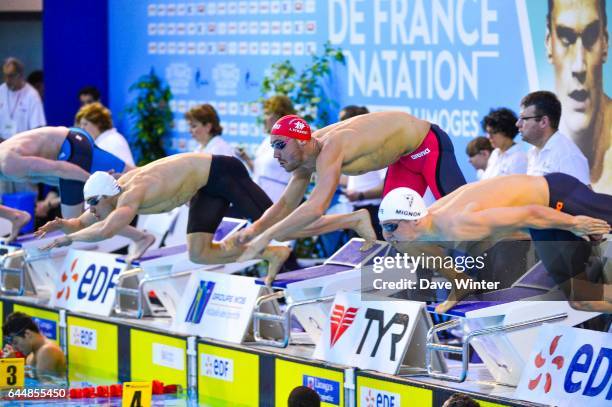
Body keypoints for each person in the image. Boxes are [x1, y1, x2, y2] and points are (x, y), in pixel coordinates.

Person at [37, 155, 375, 285]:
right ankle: (270, 253)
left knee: (282, 225)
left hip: (223, 172)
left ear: (105, 198)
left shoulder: (129, 196)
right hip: (204, 187)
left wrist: (69, 238)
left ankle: (352, 219)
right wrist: (64, 224)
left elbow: (107, 228)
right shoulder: (110, 195)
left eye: (95, 206)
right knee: (198, 252)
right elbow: (89, 220)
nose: (93, 212)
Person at [231, 111, 465, 260]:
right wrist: (254, 230)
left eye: (280, 145)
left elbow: (315, 208)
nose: (275, 155)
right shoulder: (306, 156)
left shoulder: (331, 146)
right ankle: (454, 280)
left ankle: (489, 279)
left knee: (458, 218)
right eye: (273, 146)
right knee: (395, 230)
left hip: (427, 144)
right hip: (402, 159)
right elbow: (285, 204)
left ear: (302, 142)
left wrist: (264, 237)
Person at [378, 174, 612, 312]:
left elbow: (529, 213)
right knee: (582, 299)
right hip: (541, 220)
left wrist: (573, 223)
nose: (387, 235)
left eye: (391, 227)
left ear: (415, 220)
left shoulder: (458, 223)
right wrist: (459, 281)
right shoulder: (415, 234)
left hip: (556, 197)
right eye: (383, 227)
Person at [0, 126, 153, 260]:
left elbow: (59, 169)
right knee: (141, 176)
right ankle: (174, 178)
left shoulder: (8, 163)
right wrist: (15, 216)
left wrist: (96, 181)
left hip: (70, 149)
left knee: (72, 224)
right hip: (74, 140)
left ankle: (141, 237)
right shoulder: (5, 158)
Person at [546, 0, 612, 193]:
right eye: (566, 38)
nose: (579, 66)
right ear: (549, 44)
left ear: (605, 43)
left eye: (591, 36)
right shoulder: (537, 151)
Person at [518, 91, 590, 184]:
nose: (518, 124)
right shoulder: (533, 152)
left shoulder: (568, 156)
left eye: (524, 119)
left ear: (543, 122)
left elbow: (584, 197)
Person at [339, 105, 385, 240]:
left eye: (340, 121)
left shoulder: (376, 148)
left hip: (373, 214)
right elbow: (357, 181)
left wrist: (360, 195)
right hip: (357, 212)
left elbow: (388, 186)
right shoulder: (355, 148)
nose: (336, 126)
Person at [250, 95, 296, 203]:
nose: (264, 118)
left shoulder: (292, 141)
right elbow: (262, 172)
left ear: (279, 116)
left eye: (267, 113)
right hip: (258, 201)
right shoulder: (267, 140)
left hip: (278, 202)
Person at [2, 312, 66, 379]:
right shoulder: (32, 354)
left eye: (15, 342)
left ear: (27, 334)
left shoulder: (47, 350)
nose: (14, 348)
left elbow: (48, 388)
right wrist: (13, 363)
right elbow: (30, 379)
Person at [0, 57, 46, 141]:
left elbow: (38, 128)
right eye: (5, 76)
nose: (7, 80)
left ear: (20, 75)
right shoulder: (1, 91)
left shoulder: (32, 95)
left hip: (22, 145)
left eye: (10, 76)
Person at [480, 108, 527, 179]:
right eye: (487, 133)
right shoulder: (495, 153)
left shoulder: (519, 158)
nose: (489, 137)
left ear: (505, 131)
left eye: (493, 132)